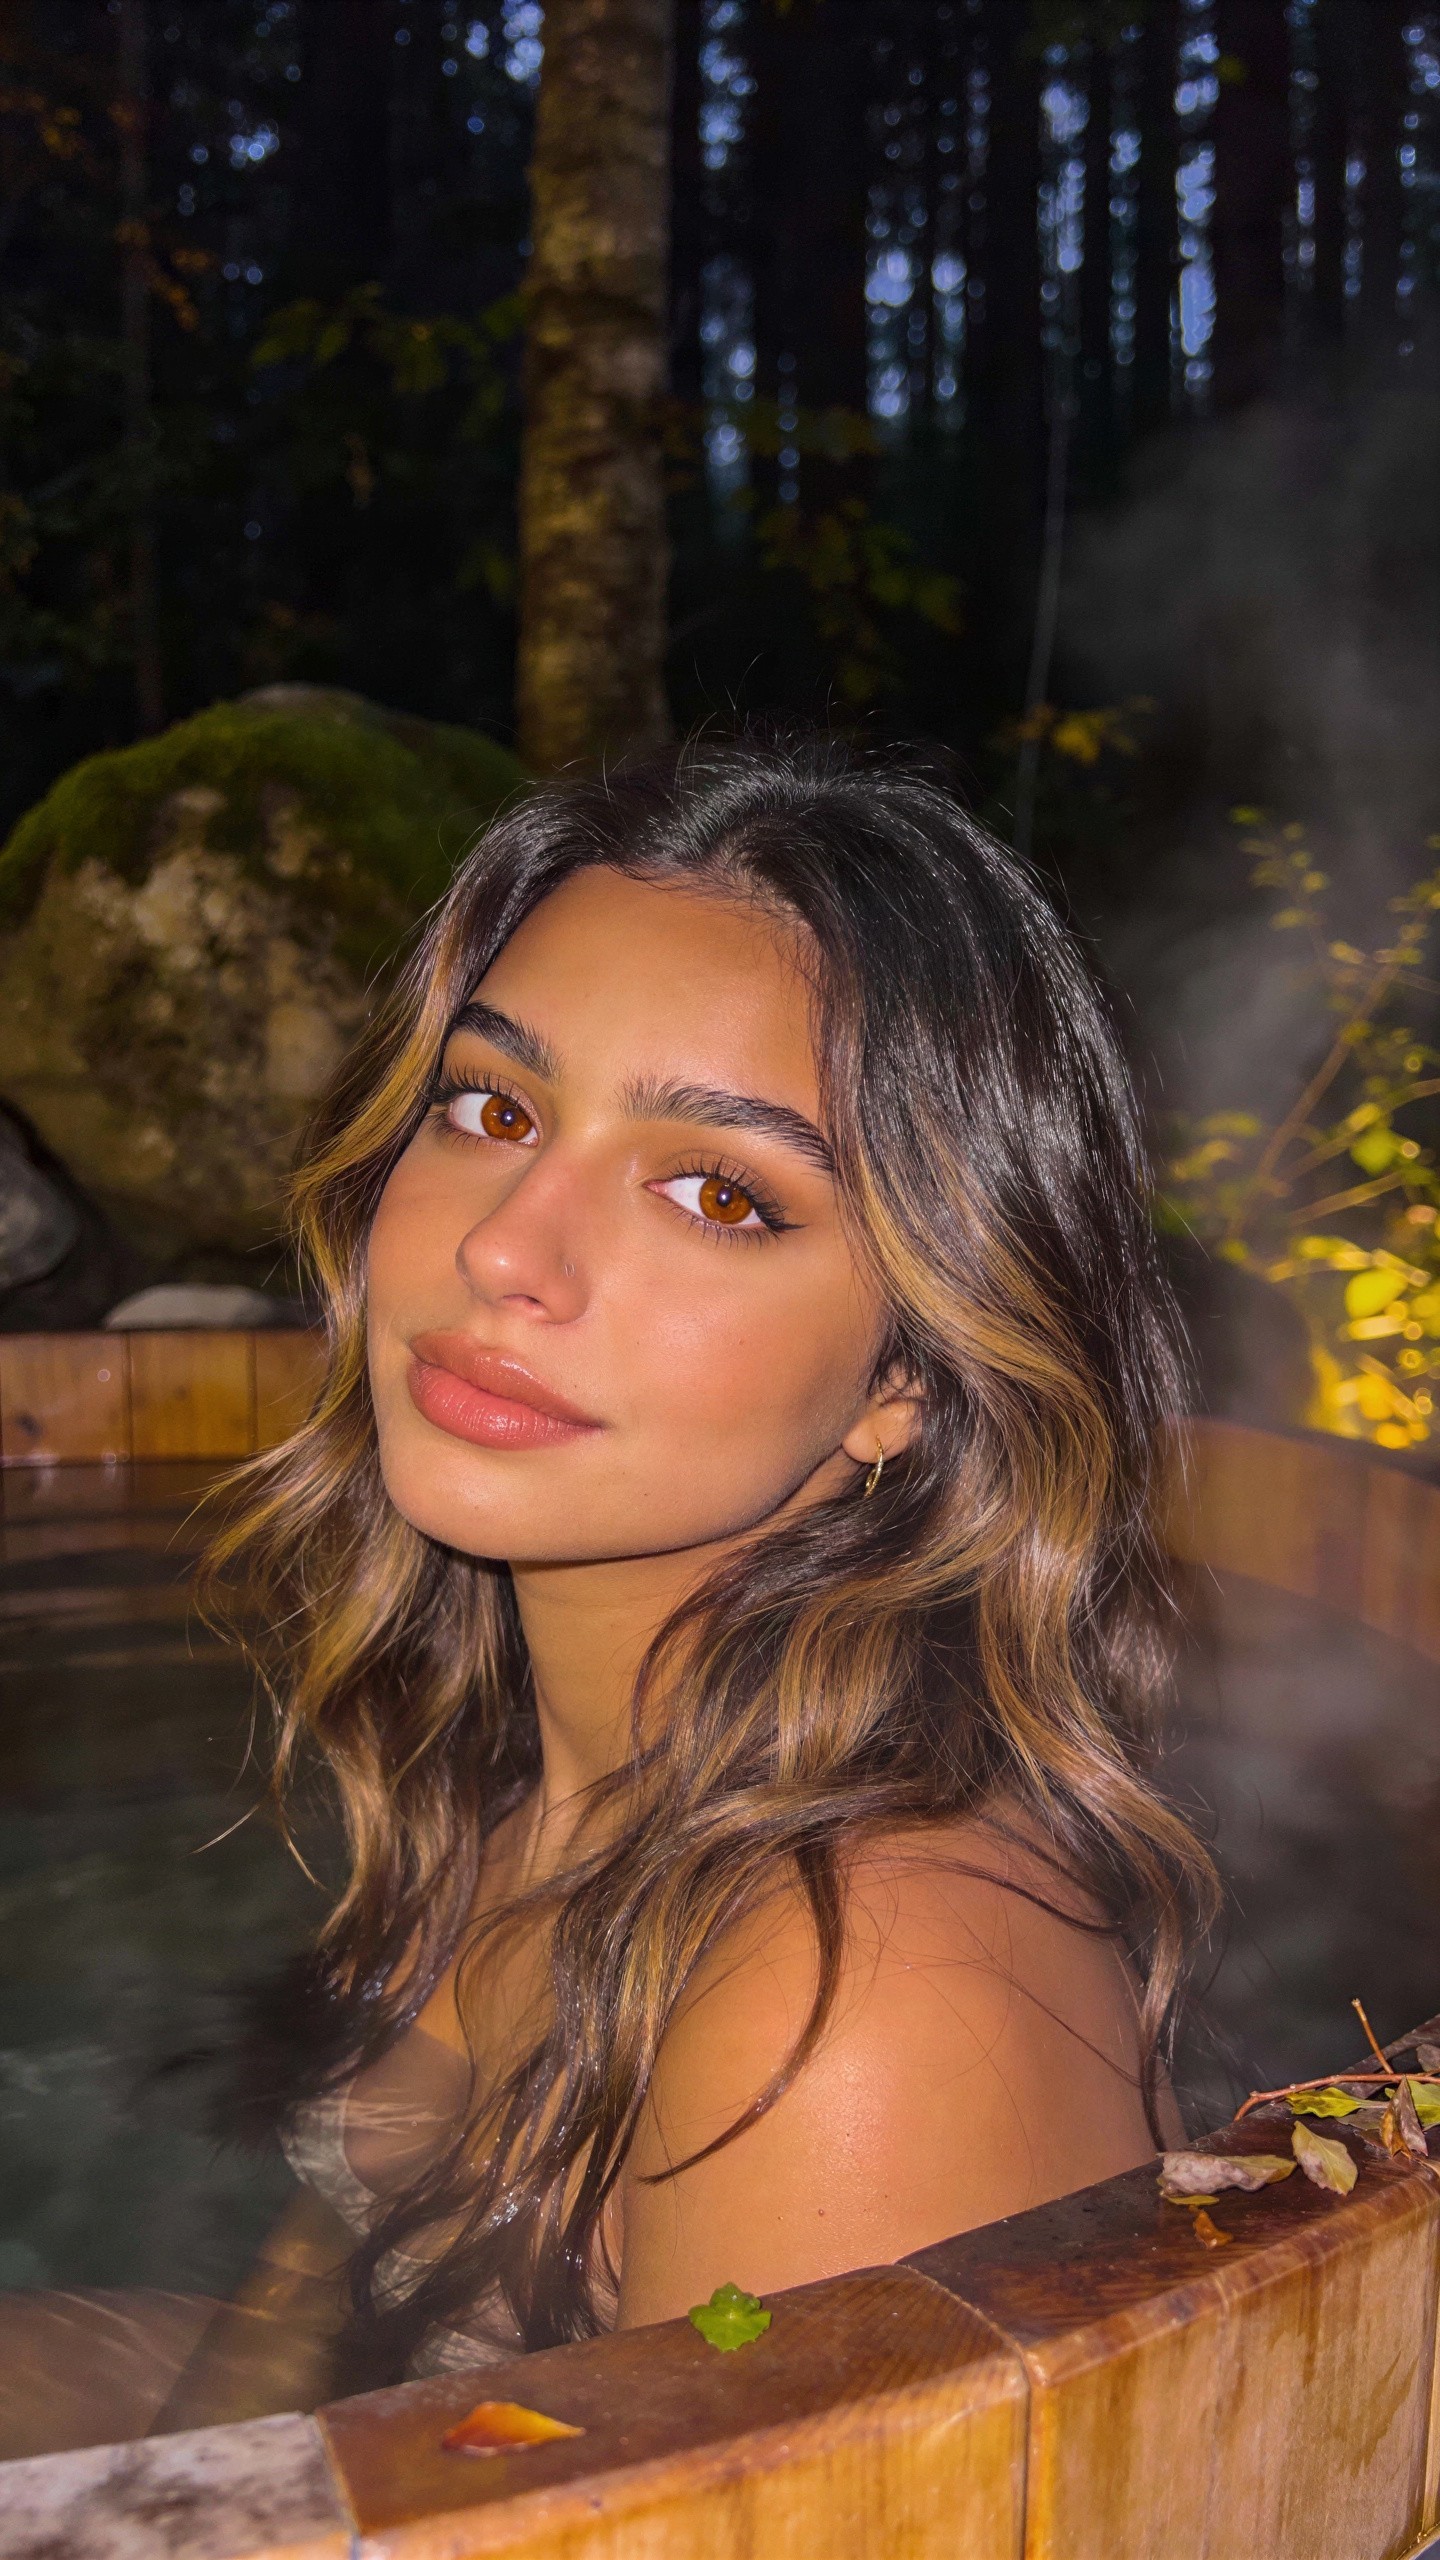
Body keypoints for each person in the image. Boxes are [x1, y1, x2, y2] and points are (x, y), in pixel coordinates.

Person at [0, 736, 1217, 2444]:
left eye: (719, 1194)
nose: (506, 1245)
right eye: (493, 1106)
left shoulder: (860, 1998)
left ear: (914, 1383)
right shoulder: (546, 1742)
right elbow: (333, 2286)